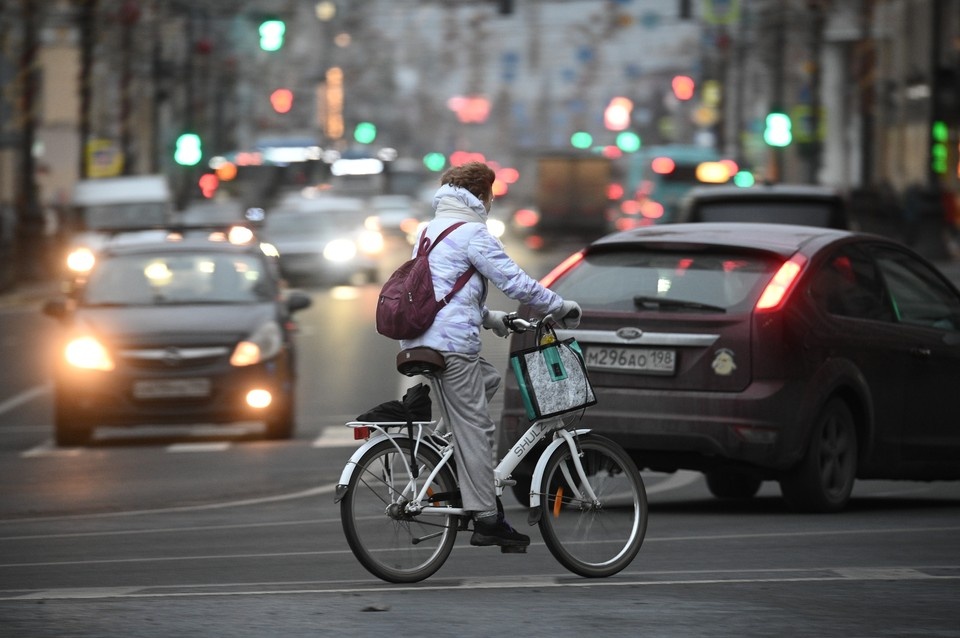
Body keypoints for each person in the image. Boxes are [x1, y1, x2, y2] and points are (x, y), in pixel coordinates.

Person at [399, 161, 581, 548]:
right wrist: (559, 305)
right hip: (451, 347)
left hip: (420, 339)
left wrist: (492, 318)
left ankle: (448, 453)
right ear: (483, 194)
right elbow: (514, 281)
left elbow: (441, 293)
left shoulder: (428, 231)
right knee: (478, 430)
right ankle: (486, 518)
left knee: (489, 379)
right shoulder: (472, 232)